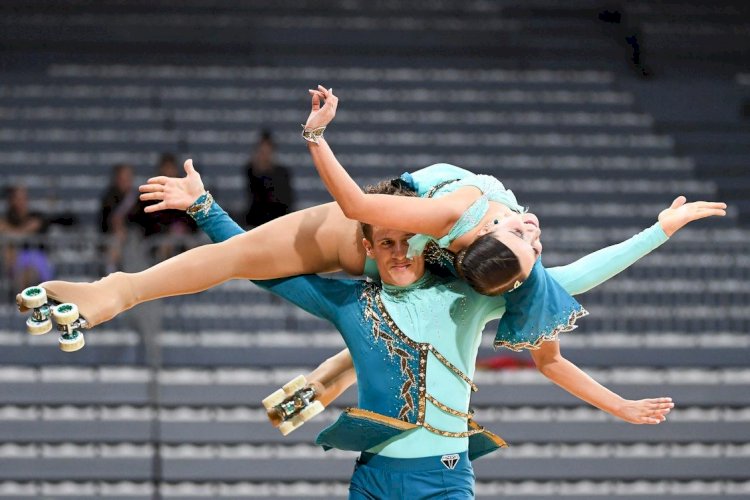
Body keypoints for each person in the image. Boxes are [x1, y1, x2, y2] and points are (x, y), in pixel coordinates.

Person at [185, 180, 675, 499]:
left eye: (408, 241)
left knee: (337, 372)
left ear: (426, 241)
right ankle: (311, 390)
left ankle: (318, 385)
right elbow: (260, 266)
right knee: (330, 376)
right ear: (368, 248)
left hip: (443, 478)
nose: (399, 252)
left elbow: (574, 276)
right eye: (386, 244)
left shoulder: (469, 296)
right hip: (372, 477)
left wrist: (658, 231)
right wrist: (205, 208)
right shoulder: (352, 301)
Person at [0, 186, 52, 294]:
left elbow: (31, 227)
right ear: (11, 201)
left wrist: (11, 233)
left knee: (27, 273)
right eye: (17, 198)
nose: (21, 202)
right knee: (8, 250)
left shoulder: (36, 216)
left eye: (23, 198)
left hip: (36, 258)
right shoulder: (7, 218)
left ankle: (23, 303)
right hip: (16, 259)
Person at [245, 129, 295, 227]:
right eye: (262, 150)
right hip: (257, 222)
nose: (265, 154)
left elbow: (287, 200)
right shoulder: (251, 171)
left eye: (267, 150)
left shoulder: (282, 173)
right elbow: (254, 196)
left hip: (278, 220)